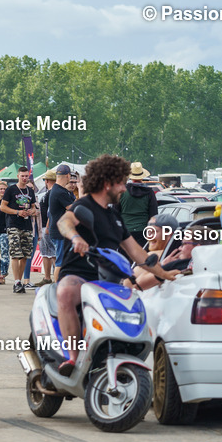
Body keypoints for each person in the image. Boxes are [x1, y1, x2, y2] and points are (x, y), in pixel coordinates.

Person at [55, 155, 179, 374]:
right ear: (107, 183)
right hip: (79, 274)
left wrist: (168, 275)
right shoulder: (85, 206)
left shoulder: (114, 216)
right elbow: (64, 222)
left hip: (107, 279)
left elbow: (139, 254)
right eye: (121, 182)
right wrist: (75, 238)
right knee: (66, 292)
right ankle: (72, 359)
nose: (124, 188)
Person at [1, 167, 38, 294]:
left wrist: (31, 212)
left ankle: (20, 281)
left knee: (25, 255)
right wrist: (17, 212)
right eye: (22, 176)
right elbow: (3, 207)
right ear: (18, 176)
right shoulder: (11, 189)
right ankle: (16, 281)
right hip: (13, 224)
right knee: (16, 253)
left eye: (26, 176)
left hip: (27, 225)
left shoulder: (30, 191)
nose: (24, 178)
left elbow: (34, 208)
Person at [45, 165, 75, 281]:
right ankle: (57, 286)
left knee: (62, 260)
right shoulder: (60, 192)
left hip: (58, 230)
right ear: (67, 175)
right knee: (60, 262)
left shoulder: (57, 190)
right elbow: (73, 208)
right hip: (60, 231)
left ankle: (60, 285)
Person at [118, 162, 158, 245]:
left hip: (126, 231)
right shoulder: (149, 193)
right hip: (143, 232)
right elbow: (153, 213)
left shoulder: (122, 192)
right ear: (142, 176)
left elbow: (116, 212)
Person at [33, 170, 57, 288]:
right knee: (45, 253)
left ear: (46, 181)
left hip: (47, 226)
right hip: (43, 225)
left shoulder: (52, 193)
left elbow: (50, 212)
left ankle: (56, 278)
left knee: (53, 253)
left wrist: (47, 227)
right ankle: (47, 277)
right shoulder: (49, 192)